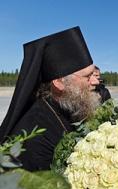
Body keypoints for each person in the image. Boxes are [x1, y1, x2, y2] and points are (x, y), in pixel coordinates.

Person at [0, 27, 100, 171]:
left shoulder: (69, 106)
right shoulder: (33, 140)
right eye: (87, 76)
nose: (96, 82)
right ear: (59, 83)